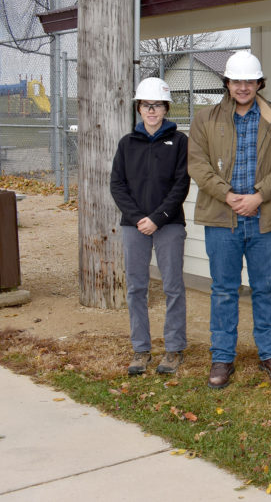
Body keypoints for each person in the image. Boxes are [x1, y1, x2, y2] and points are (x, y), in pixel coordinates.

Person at [188, 50, 271, 389]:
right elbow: (198, 164)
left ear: (259, 83)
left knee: (266, 288)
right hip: (223, 217)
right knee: (223, 290)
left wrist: (259, 196)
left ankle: (270, 353)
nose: (244, 87)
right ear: (228, 83)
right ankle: (222, 357)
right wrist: (228, 195)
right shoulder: (205, 119)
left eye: (250, 81)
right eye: (237, 81)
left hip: (265, 218)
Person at [110, 77, 190, 376]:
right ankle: (141, 349)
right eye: (146, 105)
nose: (151, 110)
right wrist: (137, 218)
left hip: (169, 223)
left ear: (166, 107)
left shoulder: (179, 141)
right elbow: (117, 184)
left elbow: (181, 183)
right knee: (137, 288)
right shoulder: (127, 143)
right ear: (139, 108)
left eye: (157, 105)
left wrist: (158, 218)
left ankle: (173, 349)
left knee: (172, 287)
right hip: (134, 225)